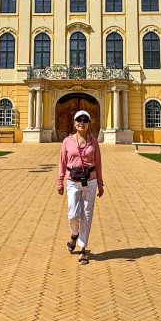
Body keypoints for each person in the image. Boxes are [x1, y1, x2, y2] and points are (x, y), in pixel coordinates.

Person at [56, 109, 104, 265]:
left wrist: (100, 184)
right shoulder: (67, 141)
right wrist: (60, 181)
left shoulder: (94, 143)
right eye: (79, 120)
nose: (81, 122)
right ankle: (74, 235)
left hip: (90, 181)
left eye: (85, 120)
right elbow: (62, 162)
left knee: (87, 215)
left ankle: (82, 248)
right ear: (74, 123)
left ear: (89, 124)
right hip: (73, 181)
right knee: (73, 214)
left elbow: (98, 164)